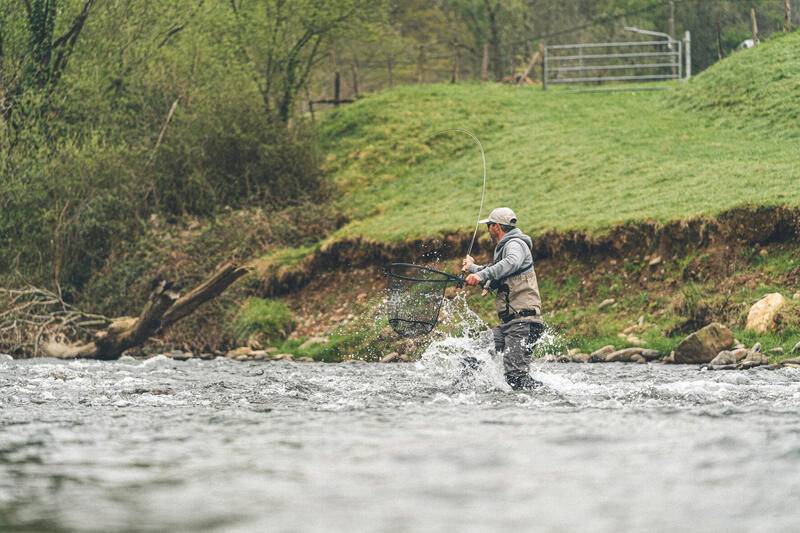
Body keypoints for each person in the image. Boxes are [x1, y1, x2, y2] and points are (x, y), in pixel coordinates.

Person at [462, 207, 544, 390]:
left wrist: (481, 276)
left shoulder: (515, 244)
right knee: (472, 356)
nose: (488, 230)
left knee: (516, 379)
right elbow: (498, 271)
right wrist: (473, 269)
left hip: (524, 322)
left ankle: (548, 397)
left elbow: (511, 263)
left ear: (496, 227)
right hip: (508, 324)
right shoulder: (506, 248)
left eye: (488, 226)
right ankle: (465, 394)